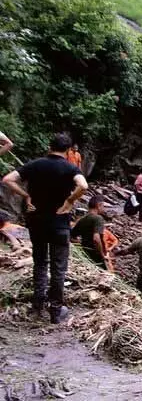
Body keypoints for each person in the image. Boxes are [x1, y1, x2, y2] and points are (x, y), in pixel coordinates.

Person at [2, 133, 88, 323]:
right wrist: (69, 201)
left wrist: (26, 195)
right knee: (59, 268)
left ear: (49, 147)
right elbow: (83, 185)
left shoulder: (35, 164)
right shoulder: (70, 167)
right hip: (59, 223)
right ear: (67, 150)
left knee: (40, 263)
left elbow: (7, 179)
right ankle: (55, 311)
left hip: (37, 221)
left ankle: (37, 306)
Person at [70, 195, 108, 269]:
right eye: (103, 206)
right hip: (95, 254)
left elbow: (71, 236)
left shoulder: (82, 219)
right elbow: (96, 239)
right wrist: (102, 254)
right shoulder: (98, 218)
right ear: (98, 205)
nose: (104, 208)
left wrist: (81, 243)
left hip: (85, 253)